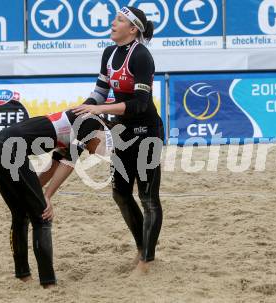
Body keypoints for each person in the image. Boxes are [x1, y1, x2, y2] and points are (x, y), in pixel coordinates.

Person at [72, 6, 164, 274]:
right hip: (122, 133)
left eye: (119, 20)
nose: (113, 23)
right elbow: (100, 91)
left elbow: (140, 103)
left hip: (147, 131)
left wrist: (100, 109)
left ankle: (147, 261)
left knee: (148, 199)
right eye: (115, 18)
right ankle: (141, 249)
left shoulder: (142, 56)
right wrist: (83, 108)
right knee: (121, 194)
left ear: (133, 29)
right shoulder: (109, 53)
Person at [0, 109, 104, 287]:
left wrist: (36, 193)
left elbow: (54, 165)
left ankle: (23, 275)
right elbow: (69, 164)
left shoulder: (74, 127)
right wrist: (45, 197)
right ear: (103, 133)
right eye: (100, 150)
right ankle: (48, 283)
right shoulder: (92, 123)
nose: (94, 153)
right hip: (10, 150)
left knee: (20, 213)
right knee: (43, 216)